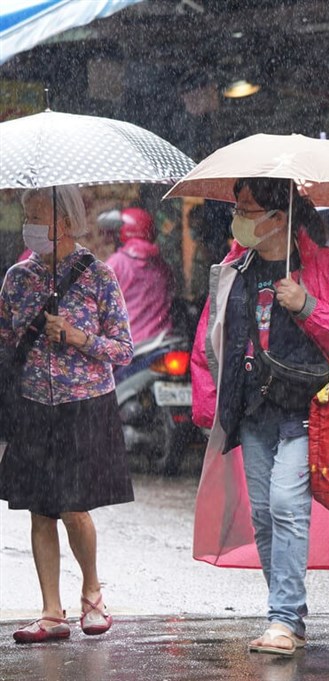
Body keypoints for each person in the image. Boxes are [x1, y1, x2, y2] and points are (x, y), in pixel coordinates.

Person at [189, 177, 329, 656]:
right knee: (263, 513)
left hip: (313, 412)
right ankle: (286, 612)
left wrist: (308, 306)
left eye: (247, 207)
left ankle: (283, 618)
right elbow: (208, 342)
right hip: (255, 411)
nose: (238, 216)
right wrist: (209, 406)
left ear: (279, 217)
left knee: (285, 503)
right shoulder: (234, 271)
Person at [0, 185, 134, 643]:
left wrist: (78, 338)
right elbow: (4, 341)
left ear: (63, 222)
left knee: (75, 508)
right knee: (40, 509)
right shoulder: (17, 279)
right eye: (26, 216)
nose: (30, 226)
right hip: (34, 407)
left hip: (85, 405)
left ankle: (92, 593)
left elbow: (123, 349)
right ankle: (50, 611)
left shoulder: (99, 277)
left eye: (37, 216)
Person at [106, 207, 174, 344]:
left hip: (130, 343)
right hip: (162, 339)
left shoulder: (117, 263)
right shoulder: (162, 265)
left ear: (124, 232)